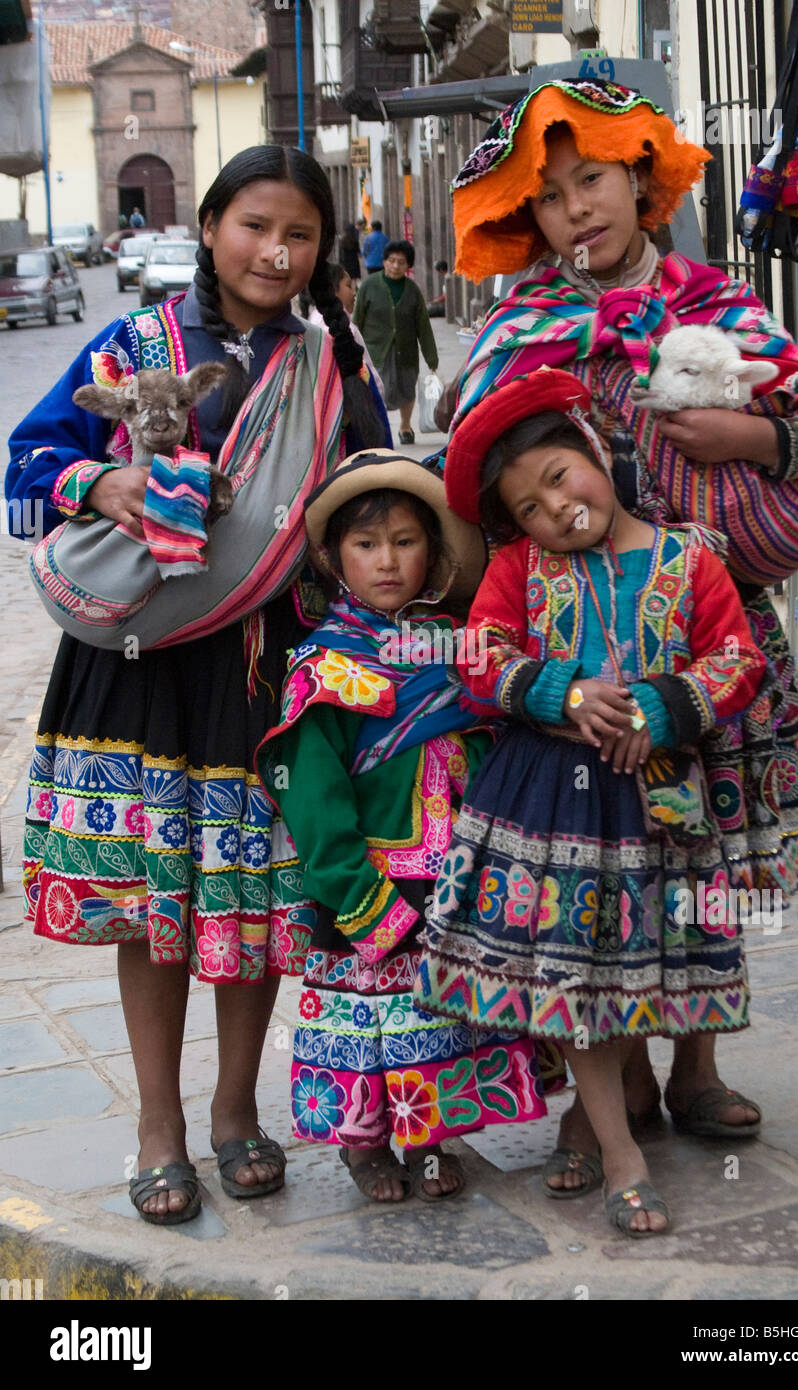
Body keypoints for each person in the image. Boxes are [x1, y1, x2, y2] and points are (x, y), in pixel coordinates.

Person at [443, 77, 798, 1167]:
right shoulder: (521, 323)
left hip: (707, 629)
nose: (577, 209)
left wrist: (751, 442)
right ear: (527, 221)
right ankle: (609, 1079)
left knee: (709, 852)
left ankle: (698, 1062)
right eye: (550, 197)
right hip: (576, 636)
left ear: (641, 177)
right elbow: (474, 457)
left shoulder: (718, 303)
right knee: (598, 861)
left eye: (594, 181)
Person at [5, 144, 386, 1226]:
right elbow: (24, 473)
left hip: (268, 667)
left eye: (299, 234)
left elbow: (374, 498)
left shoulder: (331, 366)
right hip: (138, 670)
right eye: (255, 224)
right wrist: (107, 478)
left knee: (251, 895)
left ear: (321, 250)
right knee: (150, 905)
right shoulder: (136, 345)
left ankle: (233, 1113)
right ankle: (158, 1127)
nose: (275, 250)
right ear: (211, 225)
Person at [415, 368, 767, 1234]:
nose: (556, 510)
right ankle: (618, 1148)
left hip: (665, 815)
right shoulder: (517, 570)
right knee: (581, 982)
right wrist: (561, 693)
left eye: (561, 477)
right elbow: (479, 656)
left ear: (599, 453)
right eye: (530, 507)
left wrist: (662, 706)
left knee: (655, 966)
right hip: (558, 812)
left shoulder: (691, 560)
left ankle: (654, 1095)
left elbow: (737, 657)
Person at [256, 449, 546, 1200]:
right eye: (366, 544)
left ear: (435, 551)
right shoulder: (322, 669)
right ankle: (367, 1147)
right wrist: (358, 896)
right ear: (332, 558)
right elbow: (312, 800)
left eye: (406, 541)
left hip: (453, 871)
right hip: (371, 882)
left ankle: (433, 1134)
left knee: (439, 1014)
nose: (388, 562)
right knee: (369, 1017)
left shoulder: (458, 651)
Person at [354, 240, 439, 445]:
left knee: (407, 387)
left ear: (408, 266)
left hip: (406, 350)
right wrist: (353, 349)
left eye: (401, 262)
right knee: (377, 390)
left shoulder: (412, 290)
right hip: (376, 351)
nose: (395, 266)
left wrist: (431, 358)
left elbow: (423, 326)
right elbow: (357, 321)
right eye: (391, 261)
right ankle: (377, 429)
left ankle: (405, 426)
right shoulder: (369, 285)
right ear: (384, 261)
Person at [302, 262, 385, 398]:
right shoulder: (343, 330)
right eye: (348, 286)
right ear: (332, 290)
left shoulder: (314, 319)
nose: (353, 293)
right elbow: (367, 373)